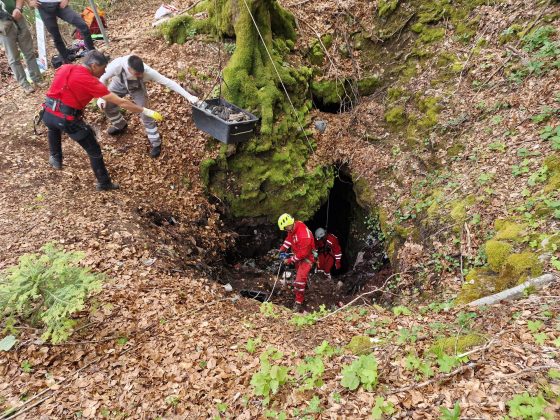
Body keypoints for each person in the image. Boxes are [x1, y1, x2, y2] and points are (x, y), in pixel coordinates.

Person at [41, 50, 164, 190]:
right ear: (94, 65)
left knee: (53, 127)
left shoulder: (65, 68)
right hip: (67, 119)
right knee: (93, 150)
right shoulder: (90, 82)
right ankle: (104, 182)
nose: (105, 71)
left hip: (47, 112)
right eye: (103, 67)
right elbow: (121, 102)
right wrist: (145, 111)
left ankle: (55, 157)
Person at [97, 54, 199, 158]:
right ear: (129, 69)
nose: (140, 75)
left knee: (146, 114)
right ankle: (120, 125)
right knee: (107, 105)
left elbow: (168, 82)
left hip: (137, 88)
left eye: (141, 74)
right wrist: (102, 96)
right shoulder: (116, 65)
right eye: (137, 74)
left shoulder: (147, 72)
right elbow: (103, 78)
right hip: (119, 83)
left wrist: (189, 96)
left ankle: (156, 143)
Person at [29, 0, 95, 63]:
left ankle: (93, 55)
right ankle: (66, 61)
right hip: (43, 7)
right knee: (56, 36)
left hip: (60, 5)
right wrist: (30, 1)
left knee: (82, 26)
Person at [0, 0, 44, 93]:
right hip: (3, 26)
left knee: (29, 52)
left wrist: (18, 8)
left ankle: (37, 79)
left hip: (18, 19)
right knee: (13, 58)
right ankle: (24, 84)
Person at [277, 213, 316, 312]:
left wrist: (289, 260)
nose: (286, 230)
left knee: (299, 280)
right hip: (298, 255)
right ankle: (303, 286)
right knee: (300, 276)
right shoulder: (294, 227)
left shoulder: (304, 236)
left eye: (286, 227)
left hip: (307, 258)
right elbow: (289, 239)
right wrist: (282, 249)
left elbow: (303, 254)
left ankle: (299, 302)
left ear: (290, 224)